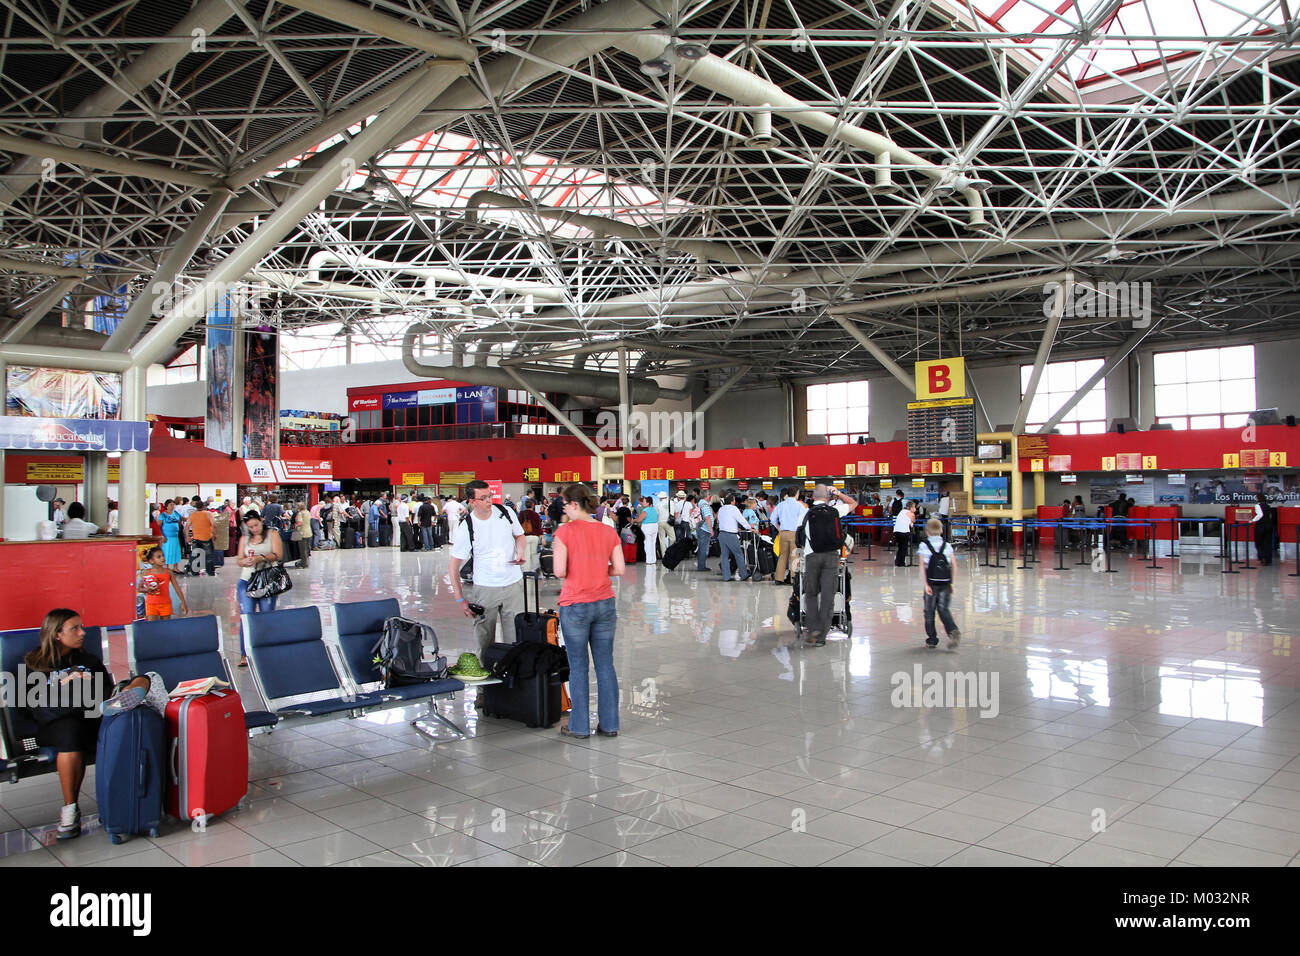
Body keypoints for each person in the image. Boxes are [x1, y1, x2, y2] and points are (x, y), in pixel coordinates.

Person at [23, 609, 163, 840]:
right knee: (71, 731)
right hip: (55, 723)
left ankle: (130, 691)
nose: (82, 633)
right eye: (75, 629)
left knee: (143, 681)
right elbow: (33, 706)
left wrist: (100, 699)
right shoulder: (35, 663)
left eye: (81, 627)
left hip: (91, 716)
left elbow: (104, 693)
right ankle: (70, 810)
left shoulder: (89, 661)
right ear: (57, 634)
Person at [552, 483, 624, 739]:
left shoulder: (564, 532)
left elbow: (559, 571)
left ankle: (579, 727)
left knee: (579, 666)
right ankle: (610, 725)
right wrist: (599, 571)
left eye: (565, 505)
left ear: (574, 504)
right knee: (605, 665)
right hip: (604, 603)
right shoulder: (607, 531)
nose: (564, 510)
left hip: (575, 605)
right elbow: (619, 569)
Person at [449, 480, 527, 657]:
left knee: (516, 639)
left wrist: (520, 551)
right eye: (483, 498)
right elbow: (453, 567)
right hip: (485, 589)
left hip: (513, 585)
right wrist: (460, 599)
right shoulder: (466, 527)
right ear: (472, 501)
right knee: (484, 641)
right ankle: (485, 673)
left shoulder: (506, 512)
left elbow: (520, 536)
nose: (489, 501)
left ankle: (513, 673)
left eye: (490, 496)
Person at [797, 484, 857, 647]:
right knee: (827, 596)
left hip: (811, 556)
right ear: (828, 497)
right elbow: (854, 503)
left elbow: (799, 536)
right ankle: (822, 636)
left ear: (813, 497)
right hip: (832, 556)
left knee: (811, 593)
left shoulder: (805, 512)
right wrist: (839, 493)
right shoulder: (835, 510)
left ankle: (812, 629)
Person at [236, 510, 283, 667]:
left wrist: (260, 558)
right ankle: (244, 653)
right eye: (250, 527)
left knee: (266, 616)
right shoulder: (244, 539)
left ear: (261, 521)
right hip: (246, 580)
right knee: (246, 616)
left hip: (267, 580)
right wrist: (244, 562)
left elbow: (278, 555)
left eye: (256, 525)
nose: (254, 529)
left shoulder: (272, 534)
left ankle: (266, 650)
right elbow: (239, 560)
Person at [918, 517, 961, 649]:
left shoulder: (923, 546)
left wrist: (926, 584)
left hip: (931, 583)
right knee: (943, 609)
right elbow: (954, 566)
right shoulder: (947, 546)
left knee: (929, 612)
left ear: (927, 532)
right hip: (945, 583)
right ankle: (952, 631)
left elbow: (922, 567)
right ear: (941, 531)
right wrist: (951, 583)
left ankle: (932, 639)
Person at [139, 545, 189, 621]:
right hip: (151, 604)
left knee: (165, 625)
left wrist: (183, 602)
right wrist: (147, 589)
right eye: (159, 557)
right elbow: (139, 589)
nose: (162, 558)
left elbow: (177, 588)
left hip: (166, 604)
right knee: (152, 625)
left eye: (163, 556)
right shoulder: (146, 573)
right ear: (151, 561)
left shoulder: (168, 572)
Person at [770, 486, 805, 585]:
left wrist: (779, 528)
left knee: (782, 556)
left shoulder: (781, 505)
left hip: (783, 533)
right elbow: (804, 520)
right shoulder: (799, 506)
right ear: (796, 494)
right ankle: (794, 579)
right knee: (795, 556)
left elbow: (772, 519)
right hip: (795, 533)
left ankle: (779, 579)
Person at [716, 493, 753, 581]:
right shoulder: (734, 508)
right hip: (731, 535)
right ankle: (744, 574)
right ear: (732, 501)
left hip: (721, 534)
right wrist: (749, 527)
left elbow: (721, 520)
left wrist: (735, 527)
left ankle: (726, 576)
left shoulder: (721, 509)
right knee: (738, 554)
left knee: (724, 556)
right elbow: (741, 520)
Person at [186, 500, 216, 575]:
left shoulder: (192, 514)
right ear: (203, 506)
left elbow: (187, 526)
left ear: (196, 507)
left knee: (195, 556)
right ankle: (210, 572)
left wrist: (187, 536)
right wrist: (215, 534)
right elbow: (214, 525)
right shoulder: (208, 514)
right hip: (207, 538)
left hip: (196, 538)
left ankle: (195, 572)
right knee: (208, 557)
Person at [690, 495, 715, 572]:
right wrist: (711, 529)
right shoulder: (705, 505)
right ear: (706, 496)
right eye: (708, 495)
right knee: (704, 548)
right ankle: (701, 566)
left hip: (700, 528)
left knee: (701, 547)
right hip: (705, 529)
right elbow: (707, 518)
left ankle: (701, 565)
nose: (709, 497)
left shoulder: (699, 503)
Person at [158, 499, 184, 571]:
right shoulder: (163, 515)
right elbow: (159, 526)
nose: (173, 506)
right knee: (166, 552)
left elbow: (183, 519)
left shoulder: (176, 513)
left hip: (175, 536)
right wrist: (162, 536)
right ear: (167, 506)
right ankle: (166, 568)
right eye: (171, 505)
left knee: (176, 551)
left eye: (173, 505)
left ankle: (175, 567)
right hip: (167, 537)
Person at [1252, 492, 1275, 566]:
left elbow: (1260, 515)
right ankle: (1268, 559)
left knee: (1259, 543)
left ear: (1258, 498)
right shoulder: (1268, 506)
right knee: (1267, 543)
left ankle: (1262, 557)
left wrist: (1252, 520)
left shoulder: (1257, 506)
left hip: (1260, 526)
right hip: (1268, 526)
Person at [893, 499, 916, 567]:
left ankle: (897, 561)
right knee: (904, 548)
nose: (915, 509)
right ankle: (901, 562)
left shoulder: (902, 511)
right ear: (911, 507)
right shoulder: (911, 514)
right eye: (914, 507)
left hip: (896, 531)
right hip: (904, 532)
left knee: (900, 547)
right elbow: (913, 520)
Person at [639, 495, 660, 565]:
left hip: (647, 527)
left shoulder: (645, 510)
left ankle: (649, 560)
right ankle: (653, 559)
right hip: (655, 526)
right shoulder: (654, 509)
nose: (642, 503)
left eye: (644, 502)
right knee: (653, 543)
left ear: (648, 503)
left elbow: (640, 519)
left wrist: (633, 520)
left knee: (647, 543)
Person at [294, 501, 312, 568]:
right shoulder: (307, 512)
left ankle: (303, 564)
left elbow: (300, 523)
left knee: (302, 550)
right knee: (307, 549)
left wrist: (295, 525)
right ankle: (307, 562)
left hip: (302, 533)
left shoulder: (300, 513)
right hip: (308, 532)